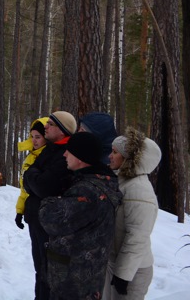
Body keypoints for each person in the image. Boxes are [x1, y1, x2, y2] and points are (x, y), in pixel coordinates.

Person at [39, 132, 122, 300]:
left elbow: (49, 218)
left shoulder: (88, 191)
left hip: (74, 282)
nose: (64, 154)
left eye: (68, 151)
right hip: (85, 278)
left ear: (80, 158)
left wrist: (49, 201)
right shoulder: (101, 182)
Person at [23, 111, 77, 300]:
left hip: (49, 224)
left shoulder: (65, 153)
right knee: (40, 271)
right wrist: (33, 177)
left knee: (48, 273)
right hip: (36, 219)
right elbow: (29, 178)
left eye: (51, 124)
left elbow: (44, 186)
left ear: (62, 130)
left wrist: (32, 176)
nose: (46, 126)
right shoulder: (51, 148)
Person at [104, 128, 162, 300]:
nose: (110, 156)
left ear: (129, 159)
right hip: (116, 264)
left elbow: (137, 236)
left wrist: (123, 274)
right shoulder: (123, 182)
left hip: (133, 271)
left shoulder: (139, 190)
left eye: (115, 152)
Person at [15, 117, 48, 230]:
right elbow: (24, 189)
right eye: (32, 137)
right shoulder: (30, 157)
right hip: (31, 213)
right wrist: (20, 211)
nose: (34, 141)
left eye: (38, 137)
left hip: (45, 214)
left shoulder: (49, 156)